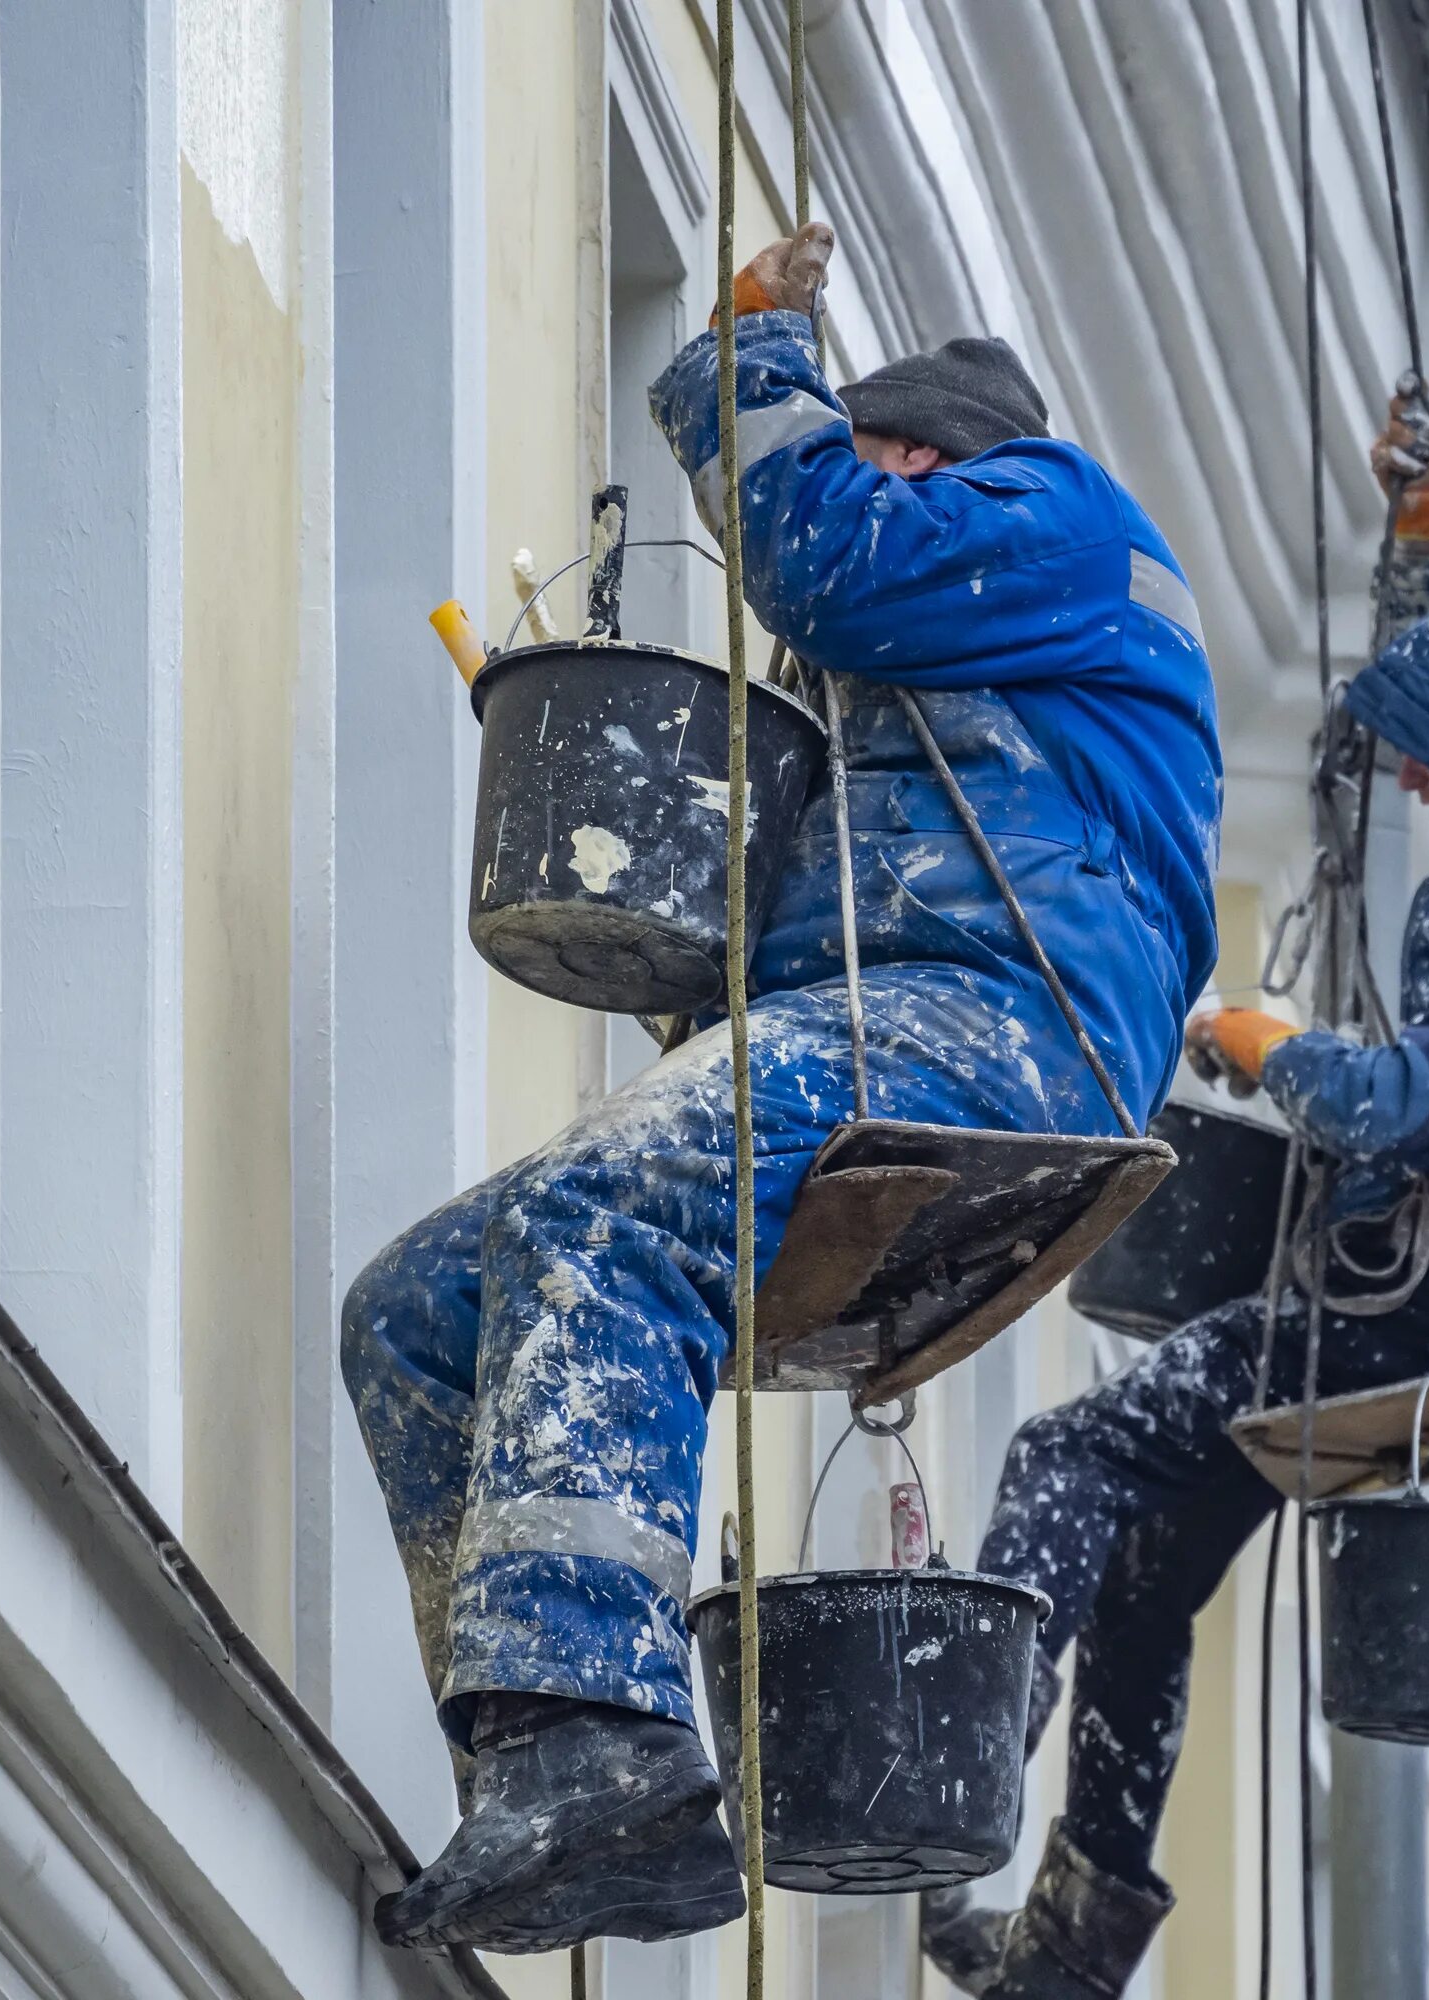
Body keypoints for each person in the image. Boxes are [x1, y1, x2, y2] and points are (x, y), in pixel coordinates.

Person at [340, 222, 1222, 1955]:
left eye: (865, 449)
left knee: (606, 1194)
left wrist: (753, 358)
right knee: (419, 1307)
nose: (849, 470)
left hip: (1007, 1029)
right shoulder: (941, 671)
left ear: (929, 460)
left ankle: (606, 1722)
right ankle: (551, 1766)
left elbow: (824, 559)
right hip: (902, 1013)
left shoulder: (1059, 515)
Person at [921, 395, 1429, 1999]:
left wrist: (1274, 1050)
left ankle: (956, 1738)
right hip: (1426, 1311)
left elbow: (1411, 1103)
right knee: (1144, 1563)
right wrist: (1427, 541)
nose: (1418, 797)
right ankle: (1075, 1944)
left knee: (1076, 1449)